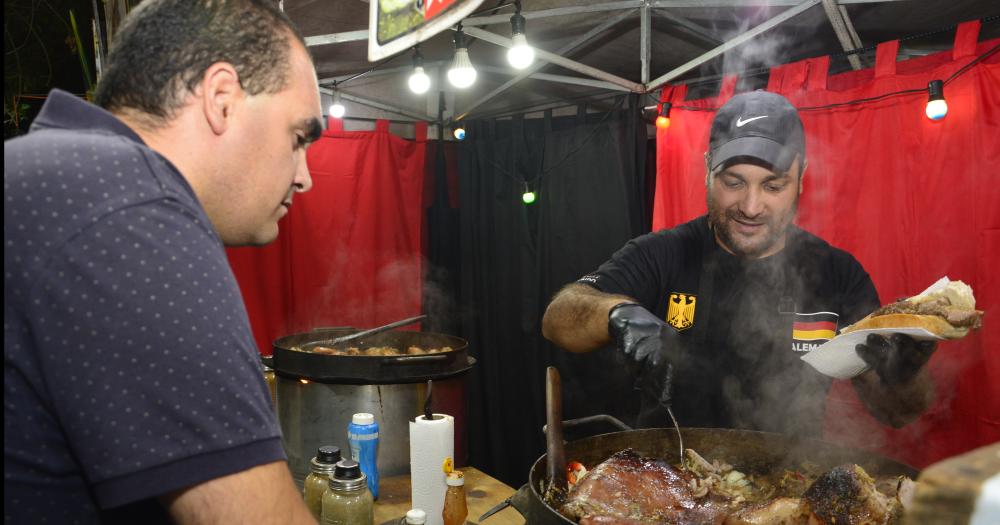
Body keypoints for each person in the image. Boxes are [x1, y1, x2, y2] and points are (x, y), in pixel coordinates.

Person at [4, 0, 323, 523]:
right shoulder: (131, 205)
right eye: (298, 138)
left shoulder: (62, 180)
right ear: (222, 98)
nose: (305, 176)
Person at [541, 90, 936, 436]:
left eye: (773, 185)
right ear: (707, 169)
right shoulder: (663, 253)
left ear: (802, 178)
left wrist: (904, 378)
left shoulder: (839, 273)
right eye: (733, 182)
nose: (750, 206)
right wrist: (616, 313)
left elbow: (896, 413)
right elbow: (559, 317)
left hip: (789, 489)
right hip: (669, 483)